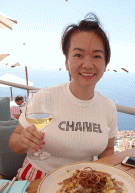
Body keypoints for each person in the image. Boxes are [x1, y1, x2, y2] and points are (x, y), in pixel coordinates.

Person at [9, 13, 118, 181]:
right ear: (67, 62)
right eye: (78, 55)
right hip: (39, 177)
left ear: (105, 64)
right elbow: (14, 142)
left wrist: (102, 180)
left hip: (83, 181)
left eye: (97, 56)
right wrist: (23, 141)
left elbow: (108, 151)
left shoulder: (108, 106)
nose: (88, 64)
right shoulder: (44, 97)